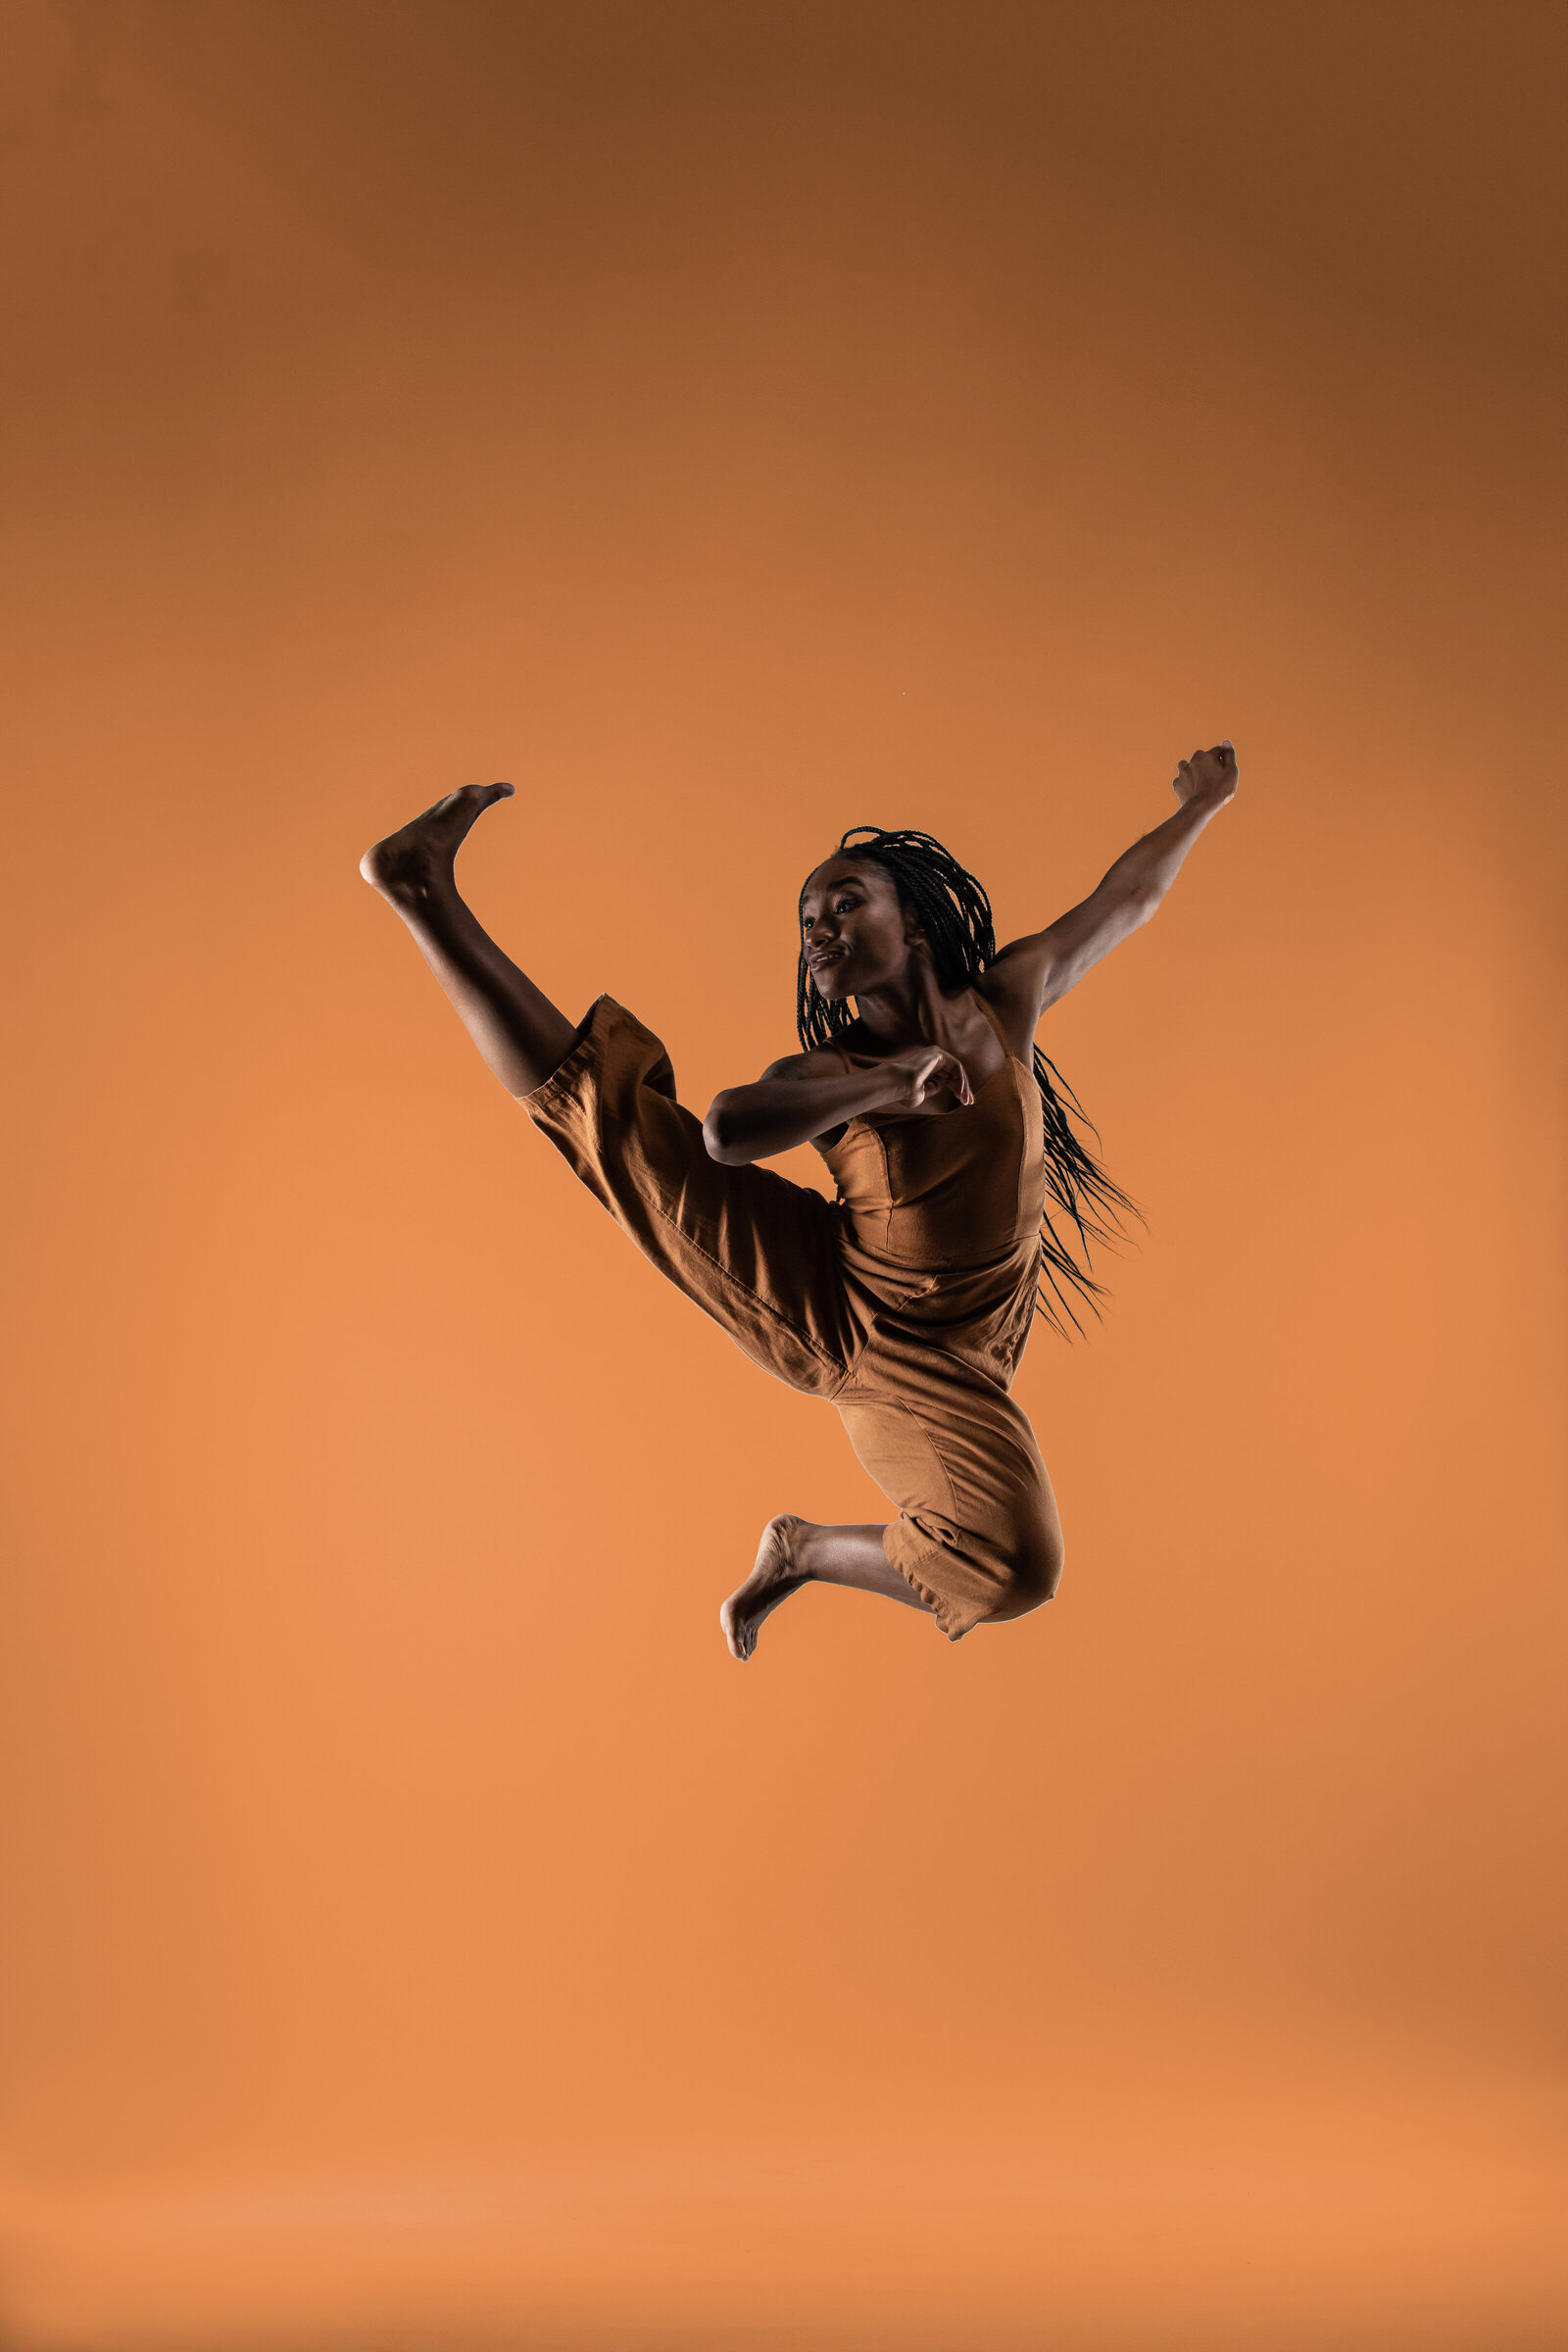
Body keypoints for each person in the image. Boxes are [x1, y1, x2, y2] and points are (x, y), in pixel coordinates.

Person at [360, 743, 1239, 1659]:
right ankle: (423, 894)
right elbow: (728, 1130)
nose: (817, 929)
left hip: (975, 1338)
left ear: (918, 925)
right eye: (806, 918)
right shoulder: (831, 1071)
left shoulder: (1007, 999)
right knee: (626, 1138)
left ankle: (803, 1547)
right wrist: (891, 1083)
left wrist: (1201, 806)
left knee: (1010, 1567)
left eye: (844, 903)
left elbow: (1127, 899)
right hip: (856, 1324)